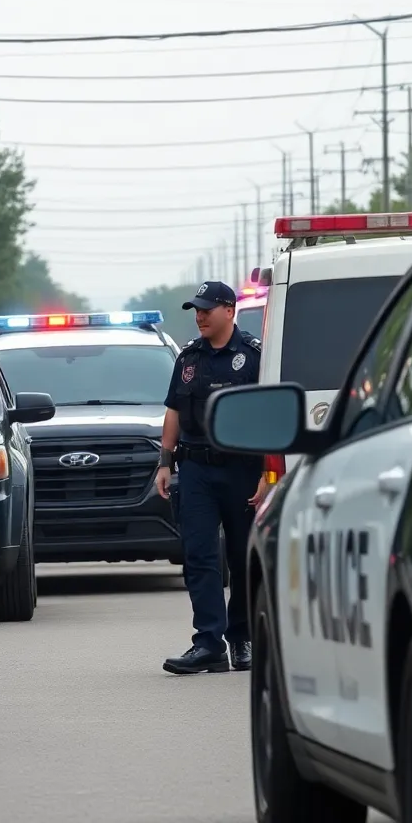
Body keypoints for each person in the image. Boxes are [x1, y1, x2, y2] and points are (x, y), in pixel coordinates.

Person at [155, 281, 268, 675]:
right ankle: (208, 644)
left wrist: (269, 474)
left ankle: (242, 637)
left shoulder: (254, 356)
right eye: (195, 310)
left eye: (206, 309)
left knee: (241, 559)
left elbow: (270, 415)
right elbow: (173, 410)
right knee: (200, 557)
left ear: (229, 310)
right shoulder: (188, 357)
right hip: (197, 469)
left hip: (243, 469)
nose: (199, 316)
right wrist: (165, 462)